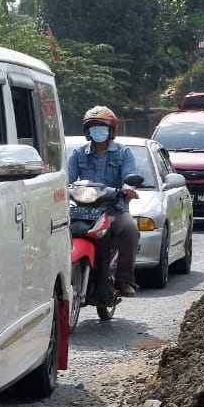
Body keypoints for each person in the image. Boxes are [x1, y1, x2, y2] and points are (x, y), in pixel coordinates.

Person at [66, 106, 141, 297]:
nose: (97, 131)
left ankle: (124, 280)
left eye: (102, 127)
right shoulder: (77, 154)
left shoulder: (123, 153)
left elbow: (129, 177)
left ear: (111, 130)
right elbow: (66, 179)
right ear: (87, 131)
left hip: (112, 208)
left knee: (131, 231)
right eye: (93, 127)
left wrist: (126, 190)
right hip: (82, 209)